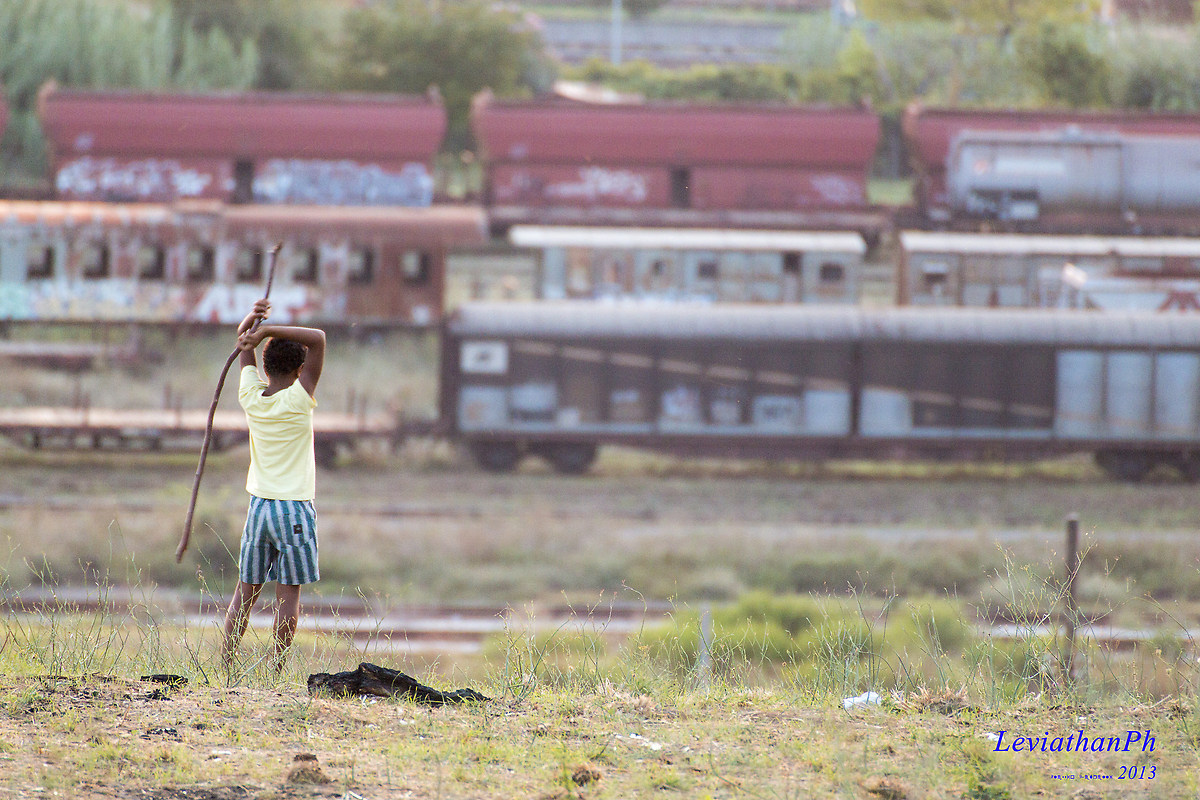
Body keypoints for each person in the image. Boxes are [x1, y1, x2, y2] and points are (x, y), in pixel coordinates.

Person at [221, 298, 326, 673]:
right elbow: (318, 338)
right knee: (287, 596)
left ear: (264, 365)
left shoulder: (251, 397)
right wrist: (267, 328)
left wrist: (252, 322)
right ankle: (277, 668)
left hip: (259, 507)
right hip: (293, 508)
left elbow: (242, 340)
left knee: (244, 594)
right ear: (300, 370)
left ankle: (226, 665)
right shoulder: (300, 399)